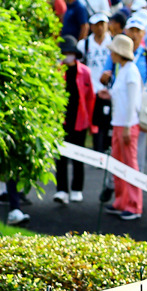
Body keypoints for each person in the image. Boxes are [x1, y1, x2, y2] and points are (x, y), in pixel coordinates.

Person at [53, 36, 95, 205]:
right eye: (65, 53)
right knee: (61, 157)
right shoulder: (57, 71)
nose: (68, 56)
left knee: (79, 156)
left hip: (80, 119)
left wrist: (92, 123)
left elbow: (90, 97)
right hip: (61, 121)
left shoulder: (85, 72)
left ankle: (77, 189)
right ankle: (62, 190)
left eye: (70, 53)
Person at [106, 34, 143, 220]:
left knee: (130, 164)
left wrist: (128, 126)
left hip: (127, 125)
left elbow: (132, 102)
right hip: (119, 123)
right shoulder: (123, 70)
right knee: (119, 164)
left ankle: (134, 205)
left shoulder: (130, 72)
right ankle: (121, 201)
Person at [79, 13, 113, 155]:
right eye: (96, 25)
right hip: (91, 90)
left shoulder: (113, 43)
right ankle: (97, 152)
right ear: (91, 27)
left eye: (102, 24)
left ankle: (107, 151)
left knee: (108, 124)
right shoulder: (84, 44)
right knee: (94, 124)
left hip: (109, 90)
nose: (100, 28)